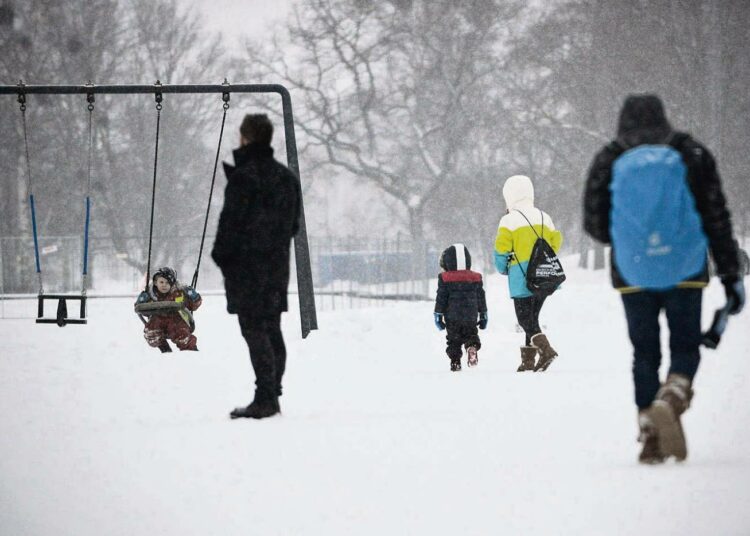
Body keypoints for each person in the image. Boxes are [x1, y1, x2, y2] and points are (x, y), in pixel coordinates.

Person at [583, 94, 745, 464]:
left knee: (644, 353)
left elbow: (593, 223)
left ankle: (650, 434)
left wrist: (632, 238)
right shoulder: (691, 153)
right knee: (684, 347)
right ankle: (673, 395)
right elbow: (715, 215)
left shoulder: (609, 158)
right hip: (686, 268)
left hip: (633, 272)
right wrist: (730, 273)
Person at [212, 113, 301, 420]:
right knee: (272, 329)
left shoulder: (243, 178)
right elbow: (294, 227)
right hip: (276, 269)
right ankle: (272, 393)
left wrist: (224, 259)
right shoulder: (287, 179)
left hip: (247, 271)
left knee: (255, 331)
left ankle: (265, 398)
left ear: (245, 137)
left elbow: (229, 228)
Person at [493, 175, 563, 373]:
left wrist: (503, 268)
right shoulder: (545, 217)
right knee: (532, 319)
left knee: (525, 320)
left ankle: (547, 350)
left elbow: (501, 250)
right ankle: (528, 361)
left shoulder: (508, 220)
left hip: (521, 278)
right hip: (544, 277)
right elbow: (555, 242)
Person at [434, 244, 488, 371]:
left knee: (453, 339)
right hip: (470, 314)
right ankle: (471, 347)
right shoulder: (475, 278)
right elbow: (481, 296)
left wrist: (438, 315)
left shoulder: (445, 278)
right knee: (471, 333)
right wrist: (484, 314)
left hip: (452, 316)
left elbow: (441, 297)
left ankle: (455, 361)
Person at [135, 266, 202, 352]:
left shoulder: (179, 293)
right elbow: (142, 311)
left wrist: (195, 298)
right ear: (155, 282)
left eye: (167, 283)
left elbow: (193, 306)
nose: (164, 285)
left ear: (172, 283)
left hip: (177, 320)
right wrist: (141, 302)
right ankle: (165, 350)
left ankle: (190, 351)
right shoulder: (151, 294)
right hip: (157, 320)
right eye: (161, 282)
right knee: (152, 332)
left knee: (182, 334)